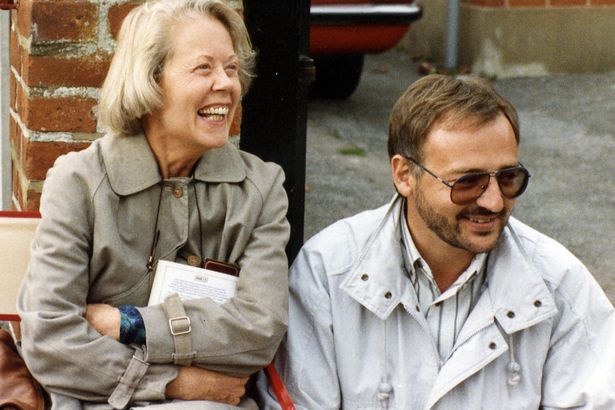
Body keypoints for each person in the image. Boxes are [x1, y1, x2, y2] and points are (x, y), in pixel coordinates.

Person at [257, 74, 615, 409]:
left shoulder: (560, 283)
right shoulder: (328, 271)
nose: (492, 201)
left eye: (508, 178)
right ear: (404, 175)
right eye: (467, 182)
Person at [17, 0, 290, 408]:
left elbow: (260, 332)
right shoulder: (79, 181)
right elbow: (51, 343)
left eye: (231, 68)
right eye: (204, 68)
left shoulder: (261, 188)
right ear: (149, 79)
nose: (227, 84)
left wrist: (128, 323)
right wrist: (178, 382)